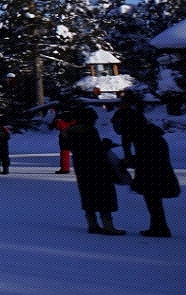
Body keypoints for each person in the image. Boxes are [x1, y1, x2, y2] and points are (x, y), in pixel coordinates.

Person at [114, 94, 179, 237]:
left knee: (153, 197)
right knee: (152, 198)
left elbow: (146, 157)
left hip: (153, 169)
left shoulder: (144, 136)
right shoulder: (145, 133)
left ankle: (160, 227)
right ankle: (159, 226)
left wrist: (130, 161)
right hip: (153, 167)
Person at [61, 109, 125, 235]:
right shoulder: (90, 131)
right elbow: (96, 150)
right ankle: (108, 225)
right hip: (97, 167)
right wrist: (106, 145)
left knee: (87, 195)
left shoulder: (69, 132)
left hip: (82, 168)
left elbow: (66, 147)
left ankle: (92, 224)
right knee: (104, 196)